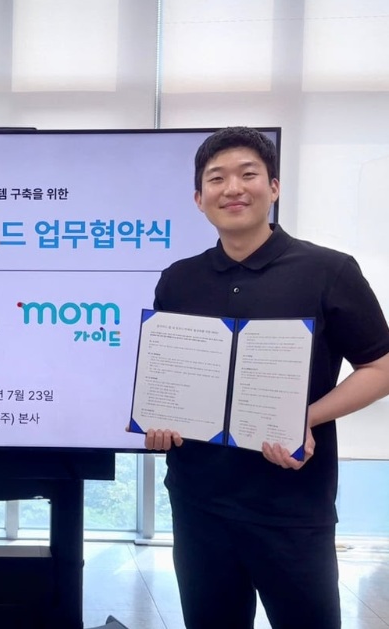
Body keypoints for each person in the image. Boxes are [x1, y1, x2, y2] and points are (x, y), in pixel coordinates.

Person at [145, 126, 389, 629]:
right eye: (216, 179)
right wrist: (161, 418)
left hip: (292, 506)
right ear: (199, 199)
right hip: (199, 502)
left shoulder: (328, 271)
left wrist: (305, 418)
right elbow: (170, 377)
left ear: (274, 187)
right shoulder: (179, 279)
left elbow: (380, 367)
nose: (232, 188)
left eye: (248, 174)